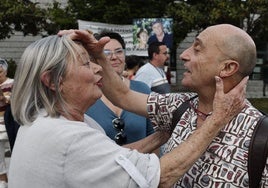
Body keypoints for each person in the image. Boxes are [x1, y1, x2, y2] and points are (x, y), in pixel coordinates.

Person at [8, 29, 246, 188]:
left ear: (228, 67)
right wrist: (217, 120)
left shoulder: (58, 122)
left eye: (197, 48)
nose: (99, 69)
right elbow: (160, 177)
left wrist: (167, 131)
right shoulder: (67, 137)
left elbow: (118, 159)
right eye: (85, 63)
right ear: (52, 81)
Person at [90, 23, 268, 187]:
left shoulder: (260, 135)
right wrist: (98, 56)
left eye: (197, 50)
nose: (183, 55)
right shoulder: (180, 105)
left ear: (228, 68)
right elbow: (123, 95)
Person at [86, 31, 155, 147]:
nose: (114, 57)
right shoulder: (87, 94)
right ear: (95, 59)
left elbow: (153, 135)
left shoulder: (142, 89)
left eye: (119, 52)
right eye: (106, 53)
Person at [0, 58, 13, 188]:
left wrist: (5, 98)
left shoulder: (12, 83)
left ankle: (16, 177)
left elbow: (17, 99)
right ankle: (3, 180)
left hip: (9, 122)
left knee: (15, 150)